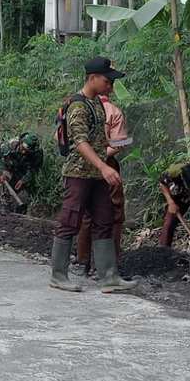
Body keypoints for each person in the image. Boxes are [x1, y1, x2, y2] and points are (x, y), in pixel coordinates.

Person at [49, 56, 133, 293]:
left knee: (104, 220)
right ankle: (58, 274)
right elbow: (80, 142)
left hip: (96, 175)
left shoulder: (96, 103)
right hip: (78, 174)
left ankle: (109, 276)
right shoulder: (77, 105)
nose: (110, 86)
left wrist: (103, 168)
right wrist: (105, 166)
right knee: (70, 220)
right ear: (93, 78)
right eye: (107, 81)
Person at [76, 93, 130, 272]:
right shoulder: (113, 111)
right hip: (106, 164)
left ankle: (83, 260)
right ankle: (109, 263)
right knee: (114, 213)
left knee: (87, 213)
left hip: (81, 167)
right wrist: (100, 158)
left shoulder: (78, 108)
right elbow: (119, 144)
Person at [0, 133, 43, 214]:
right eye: (22, 148)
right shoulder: (7, 146)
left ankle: (29, 205)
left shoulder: (37, 153)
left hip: (23, 169)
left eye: (27, 151)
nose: (23, 152)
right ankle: (5, 204)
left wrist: (23, 180)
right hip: (7, 167)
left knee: (29, 184)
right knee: (7, 177)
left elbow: (34, 169)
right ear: (20, 143)